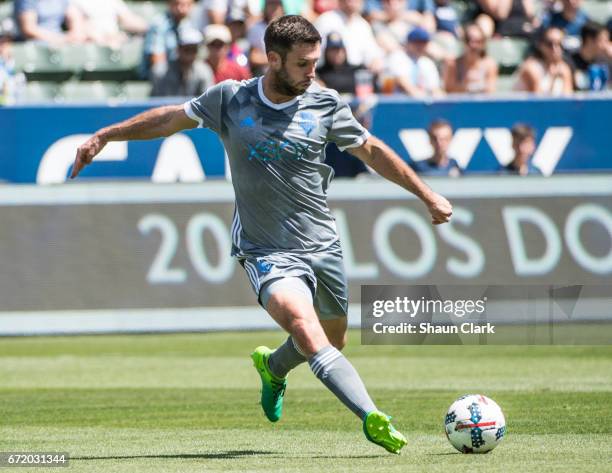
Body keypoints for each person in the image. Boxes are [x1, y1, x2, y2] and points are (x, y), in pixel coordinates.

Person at [70, 15, 452, 454]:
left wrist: (426, 194)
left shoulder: (325, 104)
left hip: (322, 244)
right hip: (264, 248)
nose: (313, 72)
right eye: (304, 64)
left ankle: (273, 367)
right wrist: (105, 135)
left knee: (332, 339)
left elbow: (371, 151)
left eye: (316, 62)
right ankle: (371, 416)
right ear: (273, 59)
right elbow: (168, 121)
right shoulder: (230, 99)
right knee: (306, 329)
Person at [315, 0, 384, 72]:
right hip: (330, 72)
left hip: (357, 73)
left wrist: (375, 61)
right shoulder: (325, 20)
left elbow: (373, 54)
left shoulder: (363, 25)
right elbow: (316, 58)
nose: (351, 2)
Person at [150, 26, 215, 97]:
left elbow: (207, 103)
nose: (190, 54)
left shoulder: (204, 72)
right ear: (178, 48)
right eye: (186, 49)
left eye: (193, 49)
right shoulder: (160, 72)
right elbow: (157, 102)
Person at [141, 0, 196, 80]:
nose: (181, 9)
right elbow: (157, 62)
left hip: (181, 75)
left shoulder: (188, 23)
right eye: (177, 4)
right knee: (159, 70)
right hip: (160, 78)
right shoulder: (158, 24)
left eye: (185, 5)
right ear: (169, 4)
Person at [515, 26, 573, 94]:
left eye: (559, 44)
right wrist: (553, 79)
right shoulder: (531, 68)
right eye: (550, 44)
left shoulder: (564, 68)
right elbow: (539, 101)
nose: (555, 49)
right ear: (540, 45)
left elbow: (568, 100)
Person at [386, 27, 443, 96]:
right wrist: (422, 97)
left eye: (424, 43)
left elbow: (435, 89)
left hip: (420, 102)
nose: (420, 46)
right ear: (408, 43)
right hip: (397, 103)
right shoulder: (398, 57)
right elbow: (403, 83)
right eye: (417, 42)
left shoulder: (427, 63)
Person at [443, 23, 498, 94]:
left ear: (483, 43)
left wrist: (473, 86)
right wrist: (469, 86)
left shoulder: (489, 64)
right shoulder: (452, 64)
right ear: (463, 42)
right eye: (468, 40)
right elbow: (448, 89)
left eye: (478, 41)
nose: (473, 45)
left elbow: (490, 90)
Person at [71, 0, 148, 49]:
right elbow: (80, 28)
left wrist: (151, 27)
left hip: (115, 42)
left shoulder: (112, 1)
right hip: (93, 45)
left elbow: (128, 19)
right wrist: (106, 37)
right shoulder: (76, 2)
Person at [14, 0, 86, 45]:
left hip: (59, 44)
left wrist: (76, 35)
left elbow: (74, 18)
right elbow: (29, 29)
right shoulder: (26, 1)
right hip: (34, 45)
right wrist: (60, 39)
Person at [567, 21, 610, 91]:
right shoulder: (570, 62)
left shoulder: (605, 61)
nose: (606, 46)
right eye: (603, 40)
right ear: (589, 40)